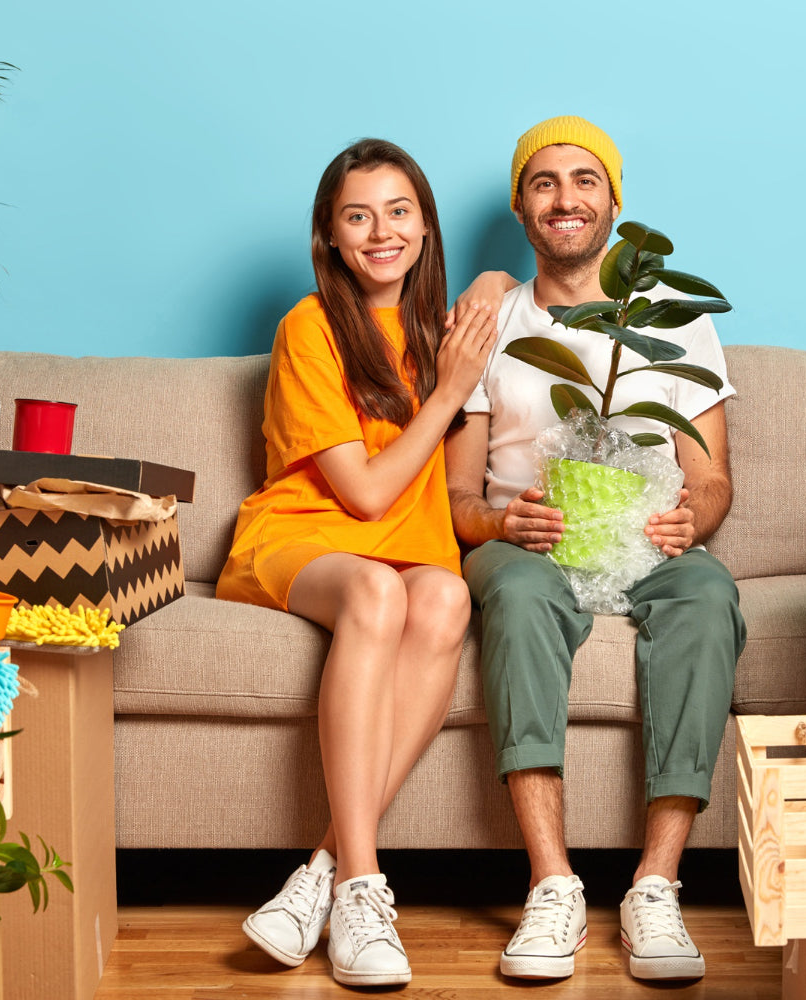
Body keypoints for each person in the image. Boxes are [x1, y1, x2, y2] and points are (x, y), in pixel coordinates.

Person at [444, 116, 747, 983]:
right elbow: (460, 498)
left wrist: (696, 521)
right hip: (529, 546)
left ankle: (656, 885)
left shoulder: (675, 322)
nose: (565, 198)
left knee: (709, 595)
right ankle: (552, 886)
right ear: (520, 205)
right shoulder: (488, 322)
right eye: (544, 183)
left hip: (645, 543)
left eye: (584, 180)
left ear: (615, 200)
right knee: (518, 595)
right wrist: (504, 526)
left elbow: (714, 475)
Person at [216, 138, 497, 988]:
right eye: (358, 216)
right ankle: (365, 887)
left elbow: (455, 486)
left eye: (399, 211)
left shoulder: (444, 330)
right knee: (378, 591)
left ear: (426, 226)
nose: (382, 232)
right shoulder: (309, 326)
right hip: (305, 537)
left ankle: (317, 880)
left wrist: (484, 308)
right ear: (330, 237)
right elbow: (366, 496)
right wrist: (448, 392)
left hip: (414, 553)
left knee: (445, 598)